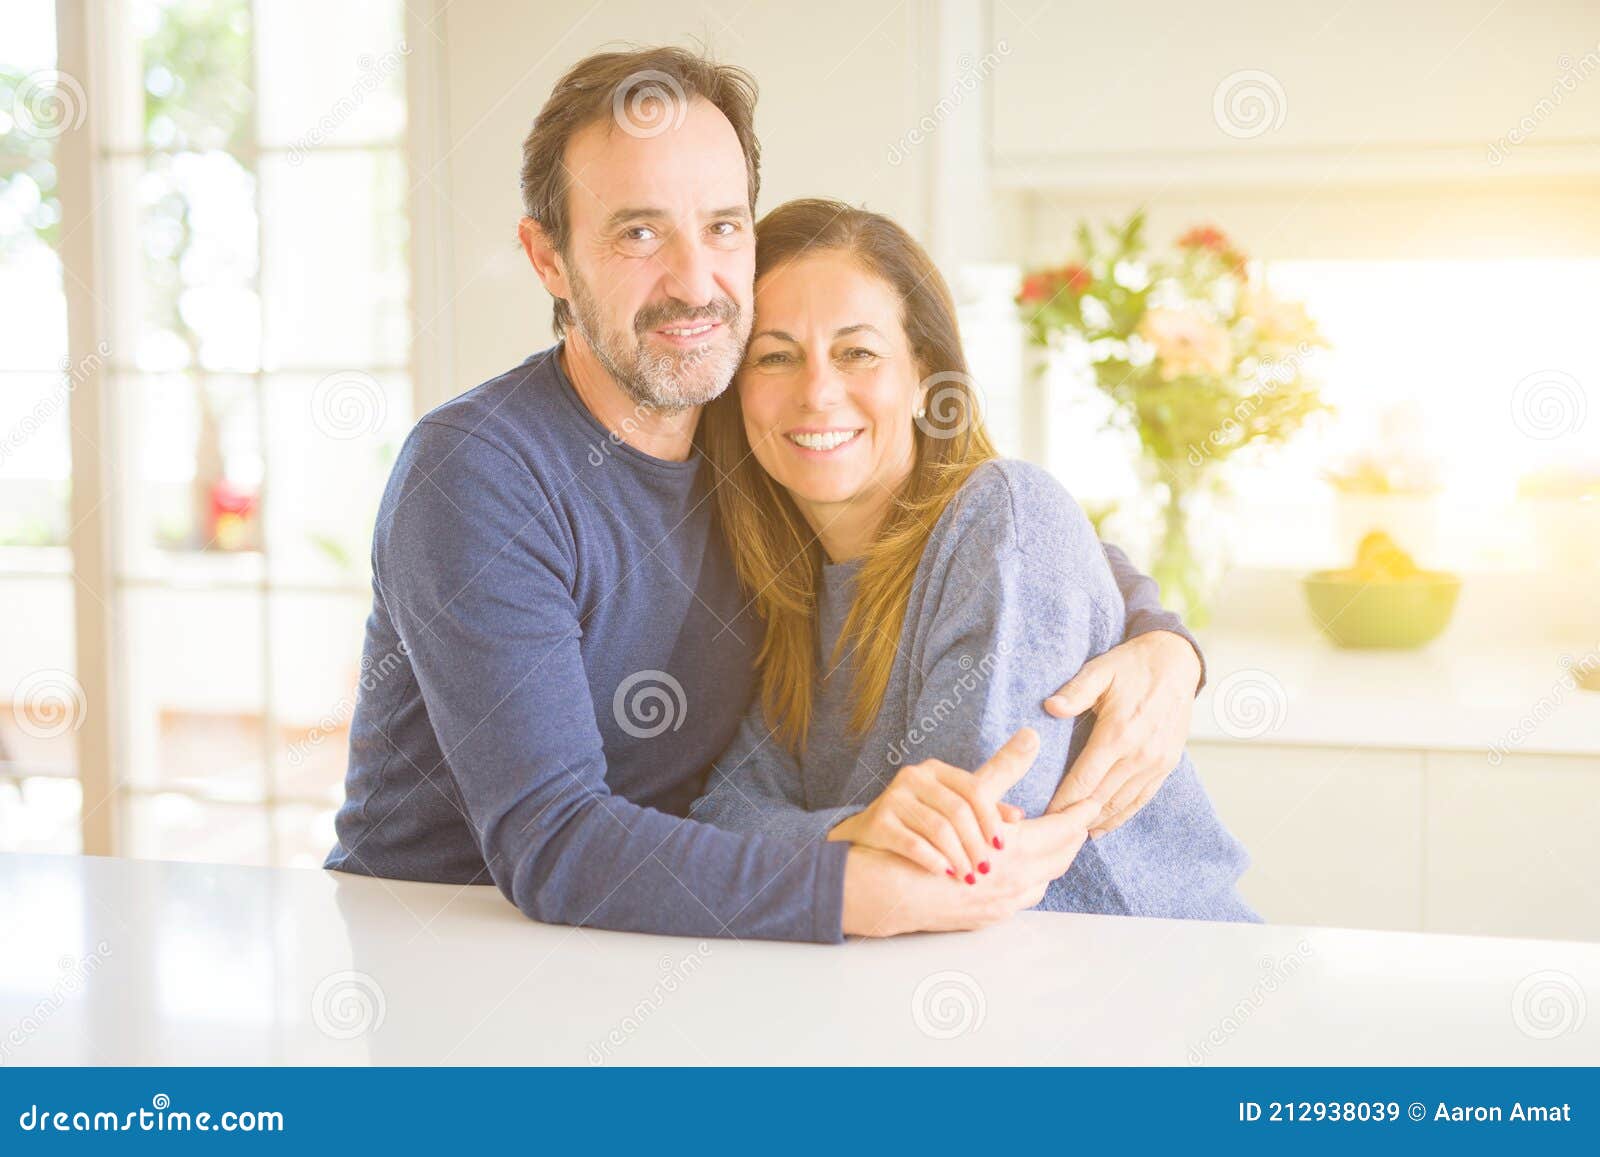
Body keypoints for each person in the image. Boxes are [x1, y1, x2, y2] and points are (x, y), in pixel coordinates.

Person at [325, 46, 1210, 942]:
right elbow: (554, 842)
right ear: (547, 257)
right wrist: (855, 878)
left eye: (722, 226)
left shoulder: (741, 432)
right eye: (638, 232)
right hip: (451, 938)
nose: (694, 281)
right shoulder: (481, 471)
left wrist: (1164, 646)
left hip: (685, 932)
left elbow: (1017, 539)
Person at [692, 200, 1255, 921]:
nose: (818, 391)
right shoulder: (785, 587)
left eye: (857, 351)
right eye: (774, 355)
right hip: (993, 997)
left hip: (1165, 984)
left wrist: (836, 854)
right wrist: (843, 834)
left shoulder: (1002, 517)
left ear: (926, 376)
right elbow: (722, 815)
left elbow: (959, 861)